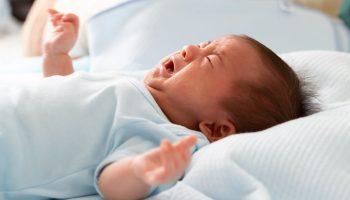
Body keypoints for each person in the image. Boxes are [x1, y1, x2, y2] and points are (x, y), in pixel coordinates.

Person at [0, 10, 307, 200]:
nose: (189, 49)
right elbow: (64, 98)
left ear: (216, 127)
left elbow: (110, 183)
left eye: (209, 60)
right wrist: (57, 56)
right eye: (203, 45)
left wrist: (141, 171)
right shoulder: (134, 84)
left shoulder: (164, 134)